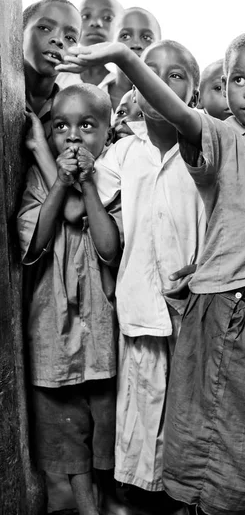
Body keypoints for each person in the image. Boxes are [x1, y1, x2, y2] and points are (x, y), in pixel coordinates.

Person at [57, 29, 245, 515]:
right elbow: (173, 110)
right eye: (238, 79)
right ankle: (199, 505)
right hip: (225, 313)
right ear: (224, 88)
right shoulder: (217, 135)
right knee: (208, 429)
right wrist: (125, 59)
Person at [63, 40, 205, 513]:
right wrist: (73, 168)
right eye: (152, 72)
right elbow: (79, 204)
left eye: (176, 74)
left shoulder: (207, 144)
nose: (160, 81)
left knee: (191, 405)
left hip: (195, 305)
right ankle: (145, 496)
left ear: (197, 91)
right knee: (143, 406)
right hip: (143, 302)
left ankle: (187, 494)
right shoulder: (126, 151)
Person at [18, 84, 124, 515]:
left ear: (108, 132)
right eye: (61, 126)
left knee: (105, 428)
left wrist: (83, 187)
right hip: (53, 327)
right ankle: (86, 508)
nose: (74, 137)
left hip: (102, 327)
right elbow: (35, 240)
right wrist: (59, 181)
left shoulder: (115, 177)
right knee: (63, 429)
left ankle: (106, 501)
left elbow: (109, 248)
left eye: (87, 126)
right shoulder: (38, 180)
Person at [23, 0, 81, 140]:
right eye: (44, 28)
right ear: (18, 33)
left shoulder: (74, 110)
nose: (58, 40)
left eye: (70, 38)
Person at [57, 0, 123, 89]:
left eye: (107, 18)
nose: (95, 23)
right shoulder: (58, 76)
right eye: (85, 16)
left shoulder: (127, 82)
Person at [105, 7, 162, 112]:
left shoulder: (169, 103)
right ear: (111, 43)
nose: (136, 44)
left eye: (147, 38)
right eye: (125, 36)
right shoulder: (91, 93)